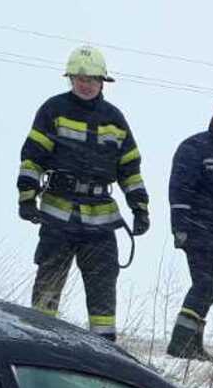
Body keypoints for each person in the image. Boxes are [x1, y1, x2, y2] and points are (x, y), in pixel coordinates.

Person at [17, 45, 150, 341]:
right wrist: (26, 197)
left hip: (101, 222)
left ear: (103, 80)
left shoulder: (115, 119)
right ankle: (37, 345)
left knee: (103, 294)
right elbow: (33, 157)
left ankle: (104, 355)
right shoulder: (53, 110)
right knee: (47, 289)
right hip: (57, 216)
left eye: (91, 78)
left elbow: (130, 168)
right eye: (79, 77)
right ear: (70, 79)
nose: (85, 83)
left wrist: (140, 207)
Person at [165, 97, 213, 361]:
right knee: (204, 285)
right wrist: (180, 227)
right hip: (195, 227)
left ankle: (193, 345)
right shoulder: (194, 147)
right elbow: (179, 188)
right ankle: (180, 344)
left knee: (209, 289)